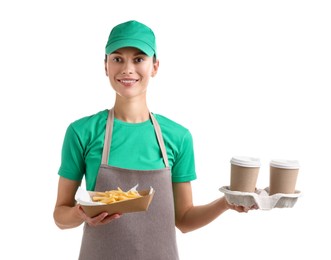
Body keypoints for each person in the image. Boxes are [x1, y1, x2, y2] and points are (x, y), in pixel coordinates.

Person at [53, 20, 255, 260]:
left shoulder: (178, 137)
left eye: (138, 59)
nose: (127, 69)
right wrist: (81, 213)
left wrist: (226, 203)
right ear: (105, 66)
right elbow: (60, 216)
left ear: (155, 66)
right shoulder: (81, 132)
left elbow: (184, 220)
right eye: (117, 59)